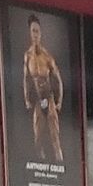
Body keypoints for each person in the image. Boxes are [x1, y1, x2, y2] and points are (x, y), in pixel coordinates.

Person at [22, 17, 65, 165]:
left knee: (55, 136)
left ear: (40, 34)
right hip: (38, 100)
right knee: (38, 138)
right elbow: (26, 79)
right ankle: (41, 165)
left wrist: (59, 101)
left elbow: (58, 79)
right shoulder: (27, 56)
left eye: (37, 31)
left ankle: (60, 164)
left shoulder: (47, 56)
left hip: (50, 98)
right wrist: (26, 99)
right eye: (33, 31)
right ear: (30, 33)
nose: (35, 34)